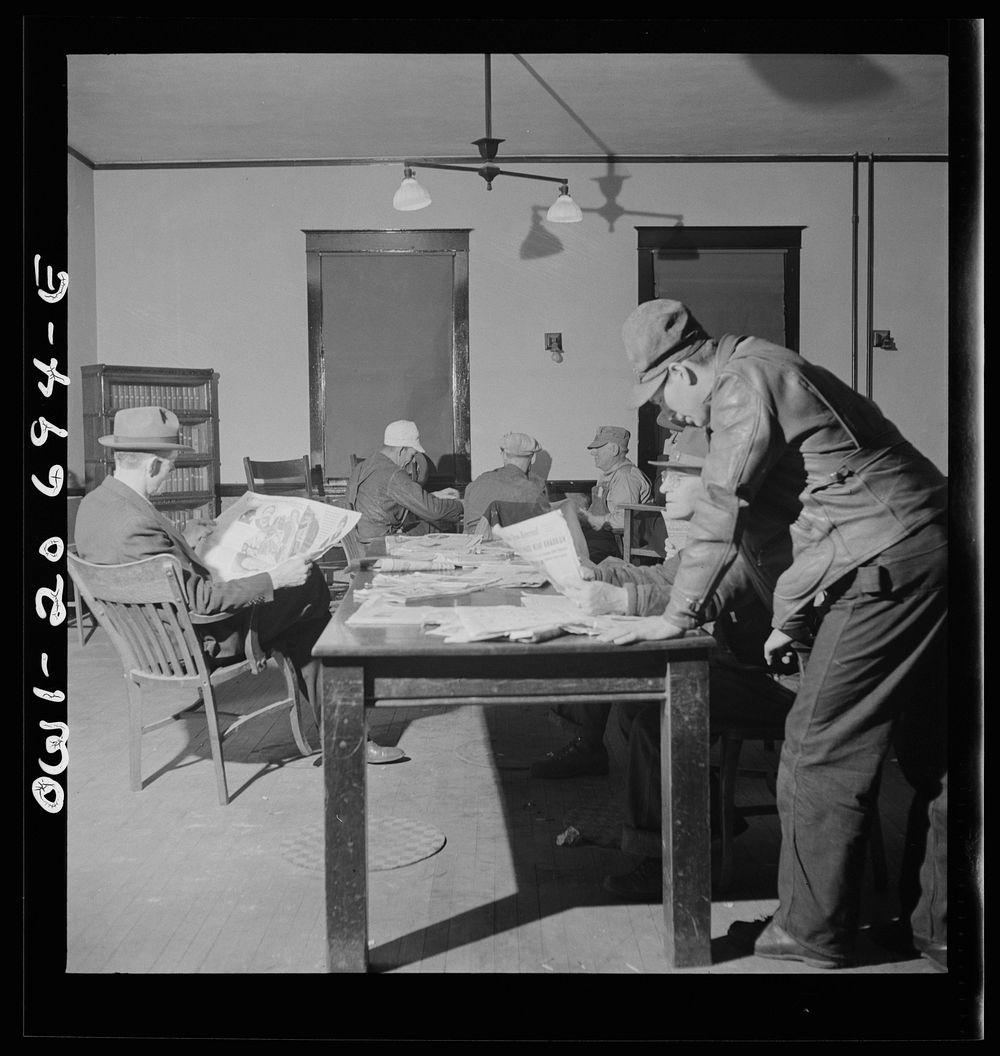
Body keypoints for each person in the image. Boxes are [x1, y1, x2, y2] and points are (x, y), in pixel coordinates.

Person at [612, 298, 949, 970]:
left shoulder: (743, 382)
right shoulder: (769, 367)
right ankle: (938, 928)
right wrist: (790, 621)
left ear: (681, 373)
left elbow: (721, 508)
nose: (673, 418)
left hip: (889, 562)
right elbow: (805, 522)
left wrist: (676, 616)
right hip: (926, 549)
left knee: (818, 750)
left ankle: (808, 937)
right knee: (935, 752)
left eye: (663, 402)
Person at [74, 406, 404, 765]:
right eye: (169, 467)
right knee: (309, 594)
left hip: (148, 641)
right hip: (191, 643)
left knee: (304, 624)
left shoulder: (95, 506)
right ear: (152, 465)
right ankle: (348, 735)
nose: (167, 476)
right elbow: (201, 602)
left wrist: (185, 540)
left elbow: (146, 566)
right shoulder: (135, 524)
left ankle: (344, 734)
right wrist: (273, 578)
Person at [529, 424, 708, 779]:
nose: (663, 486)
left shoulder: (727, 534)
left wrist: (622, 597)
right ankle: (589, 744)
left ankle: (596, 751)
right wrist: (601, 576)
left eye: (678, 477)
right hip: (667, 607)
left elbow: (698, 598)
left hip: (711, 651)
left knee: (605, 648)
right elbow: (666, 577)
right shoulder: (706, 532)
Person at [347, 419, 463, 547]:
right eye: (412, 455)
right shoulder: (393, 473)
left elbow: (389, 498)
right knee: (435, 526)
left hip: (360, 542)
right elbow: (433, 511)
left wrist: (434, 496)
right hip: (381, 546)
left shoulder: (363, 467)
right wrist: (461, 505)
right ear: (402, 450)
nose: (411, 461)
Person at [577, 426, 652, 563]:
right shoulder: (608, 476)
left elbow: (624, 520)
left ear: (614, 450)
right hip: (603, 538)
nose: (593, 453)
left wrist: (593, 520)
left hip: (617, 545)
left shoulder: (625, 477)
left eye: (598, 448)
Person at [461, 431, 549, 532]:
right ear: (532, 458)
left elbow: (467, 528)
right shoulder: (533, 490)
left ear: (503, 455)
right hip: (510, 545)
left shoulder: (477, 483)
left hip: (475, 545)